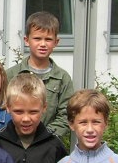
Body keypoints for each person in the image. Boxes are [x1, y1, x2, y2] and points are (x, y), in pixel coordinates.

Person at [6, 11, 74, 141]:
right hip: (14, 141)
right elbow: (2, 109)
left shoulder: (62, 78)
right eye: (37, 38)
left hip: (48, 143)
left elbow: (66, 114)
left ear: (56, 42)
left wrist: (44, 136)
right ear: (27, 40)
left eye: (48, 39)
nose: (43, 44)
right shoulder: (11, 75)